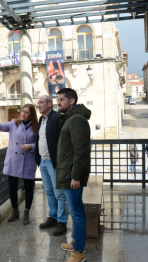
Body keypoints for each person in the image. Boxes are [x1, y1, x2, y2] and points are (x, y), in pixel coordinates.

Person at [0, 104, 38, 225]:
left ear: (32, 115)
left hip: (28, 160)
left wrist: (31, 146)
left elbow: (40, 142)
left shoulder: (36, 127)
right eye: (22, 111)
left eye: (26, 112)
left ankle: (26, 212)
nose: (23, 114)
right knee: (12, 188)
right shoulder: (14, 123)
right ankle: (15, 211)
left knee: (29, 189)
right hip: (13, 160)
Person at [56, 88, 91, 262]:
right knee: (78, 210)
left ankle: (79, 251)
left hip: (72, 175)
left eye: (61, 99)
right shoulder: (71, 118)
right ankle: (78, 241)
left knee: (76, 212)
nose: (58, 102)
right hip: (69, 172)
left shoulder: (76, 119)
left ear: (71, 101)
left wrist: (76, 176)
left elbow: (81, 150)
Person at [35, 95, 67, 236]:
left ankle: (62, 222)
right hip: (43, 161)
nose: (38, 105)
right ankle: (53, 217)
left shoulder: (57, 117)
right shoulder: (42, 119)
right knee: (49, 192)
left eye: (41, 102)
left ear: (49, 104)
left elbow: (63, 139)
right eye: (38, 102)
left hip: (54, 162)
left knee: (59, 193)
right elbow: (40, 139)